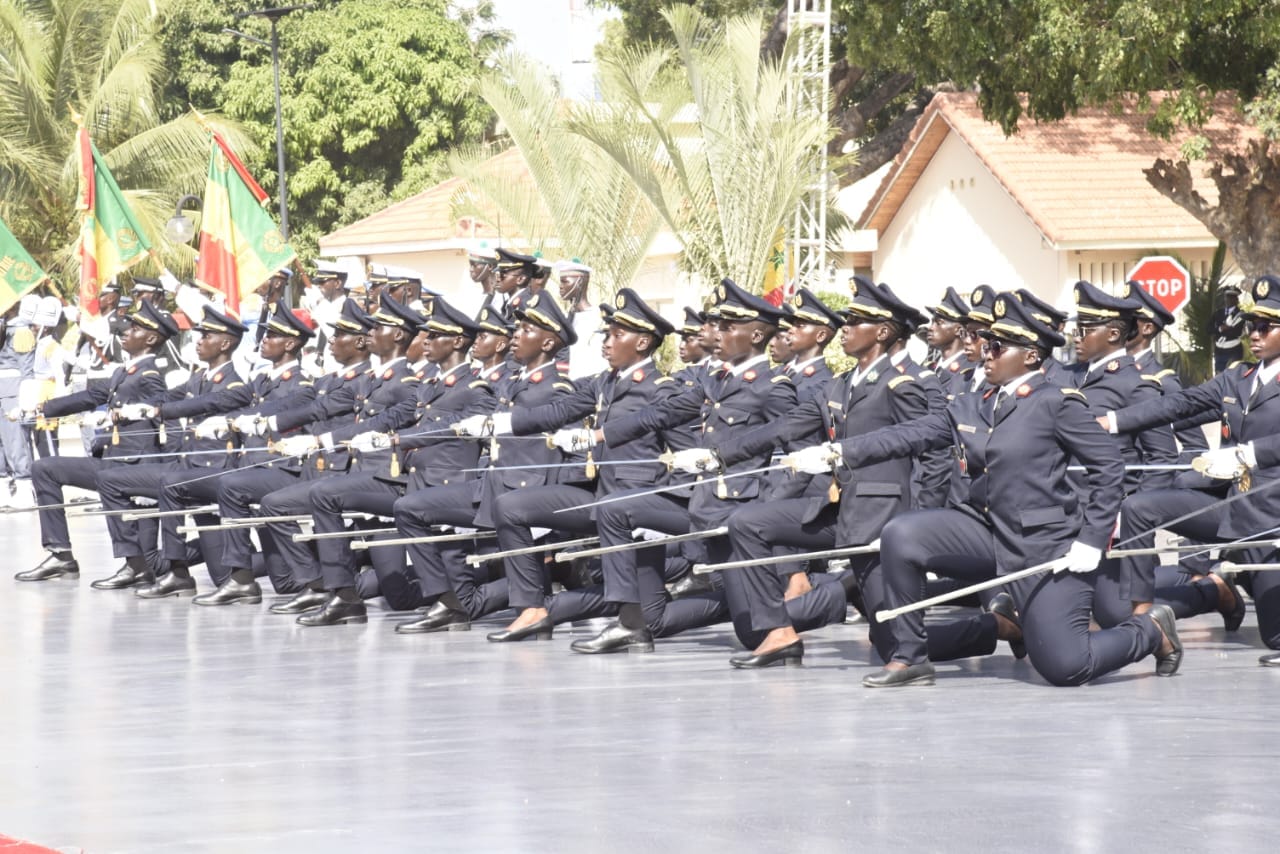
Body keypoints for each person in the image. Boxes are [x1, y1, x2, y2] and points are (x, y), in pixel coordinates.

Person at [816, 292, 1182, 687]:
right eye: (986, 344)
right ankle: (910, 656)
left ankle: (1151, 630)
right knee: (901, 534)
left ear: (1029, 356)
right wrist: (839, 451)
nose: (985, 352)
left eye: (996, 346)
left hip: (1040, 543)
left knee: (1067, 666)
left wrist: (1092, 539)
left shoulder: (1057, 403)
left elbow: (1108, 468)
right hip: (986, 533)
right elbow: (912, 433)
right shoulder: (974, 404)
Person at [704, 279, 948, 668]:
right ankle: (778, 631)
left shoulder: (904, 381)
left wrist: (923, 522)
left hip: (882, 520)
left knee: (892, 640)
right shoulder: (840, 384)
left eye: (854, 320)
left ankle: (996, 628)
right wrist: (718, 456)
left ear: (883, 332)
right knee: (747, 523)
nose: (844, 327)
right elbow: (785, 426)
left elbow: (936, 443)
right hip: (839, 510)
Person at [1106, 275, 1280, 666]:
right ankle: (1143, 620)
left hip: (1272, 518)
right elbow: (1178, 405)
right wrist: (1112, 421)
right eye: (1253, 326)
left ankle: (1235, 581)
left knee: (1277, 637)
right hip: (1234, 507)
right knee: (1140, 508)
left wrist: (1248, 454)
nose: (1254, 334)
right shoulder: (1239, 377)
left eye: (1266, 327)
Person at [15, 302, 178, 582]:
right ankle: (60, 554)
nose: (125, 332)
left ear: (151, 339)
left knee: (152, 560)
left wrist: (161, 469)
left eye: (135, 329)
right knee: (45, 468)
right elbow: (89, 397)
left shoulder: (150, 376)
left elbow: (164, 411)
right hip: (113, 464)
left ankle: (141, 567)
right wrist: (40, 409)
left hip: (136, 469)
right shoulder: (123, 373)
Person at [1210, 285, 1245, 373]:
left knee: (1233, 374)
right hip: (1219, 349)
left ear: (1237, 299)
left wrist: (1226, 330)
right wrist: (1220, 329)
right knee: (1219, 376)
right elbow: (1208, 329)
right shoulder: (1218, 313)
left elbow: (1238, 332)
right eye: (1228, 297)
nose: (1229, 299)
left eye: (1233, 297)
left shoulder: (1240, 315)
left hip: (1234, 349)